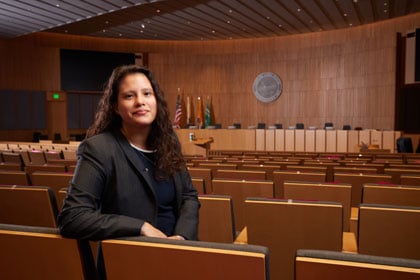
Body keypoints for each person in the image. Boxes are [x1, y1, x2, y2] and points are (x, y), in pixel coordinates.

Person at [58, 65, 200, 276]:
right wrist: (140, 227)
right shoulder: (99, 148)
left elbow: (188, 196)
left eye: (146, 93)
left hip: (175, 257)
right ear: (115, 106)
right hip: (126, 264)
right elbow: (73, 217)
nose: (140, 101)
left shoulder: (169, 141)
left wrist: (182, 237)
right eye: (129, 96)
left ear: (156, 100)